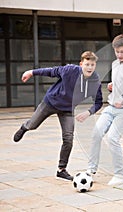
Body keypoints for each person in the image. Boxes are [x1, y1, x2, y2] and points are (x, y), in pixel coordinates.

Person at [13, 51, 103, 181]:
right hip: (51, 102)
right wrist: (31, 72)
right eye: (87, 64)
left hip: (67, 109)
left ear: (95, 65)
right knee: (33, 125)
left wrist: (88, 112)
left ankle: (61, 169)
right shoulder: (69, 70)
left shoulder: (95, 81)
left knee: (68, 139)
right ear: (81, 64)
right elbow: (51, 71)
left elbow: (99, 102)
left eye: (92, 65)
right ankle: (24, 127)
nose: (89, 67)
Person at [87, 34, 123, 186]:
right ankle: (91, 170)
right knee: (96, 133)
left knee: (112, 138)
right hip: (111, 107)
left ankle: (120, 175)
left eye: (122, 52)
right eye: (117, 52)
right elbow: (121, 81)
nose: (119, 55)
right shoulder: (115, 64)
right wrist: (113, 85)